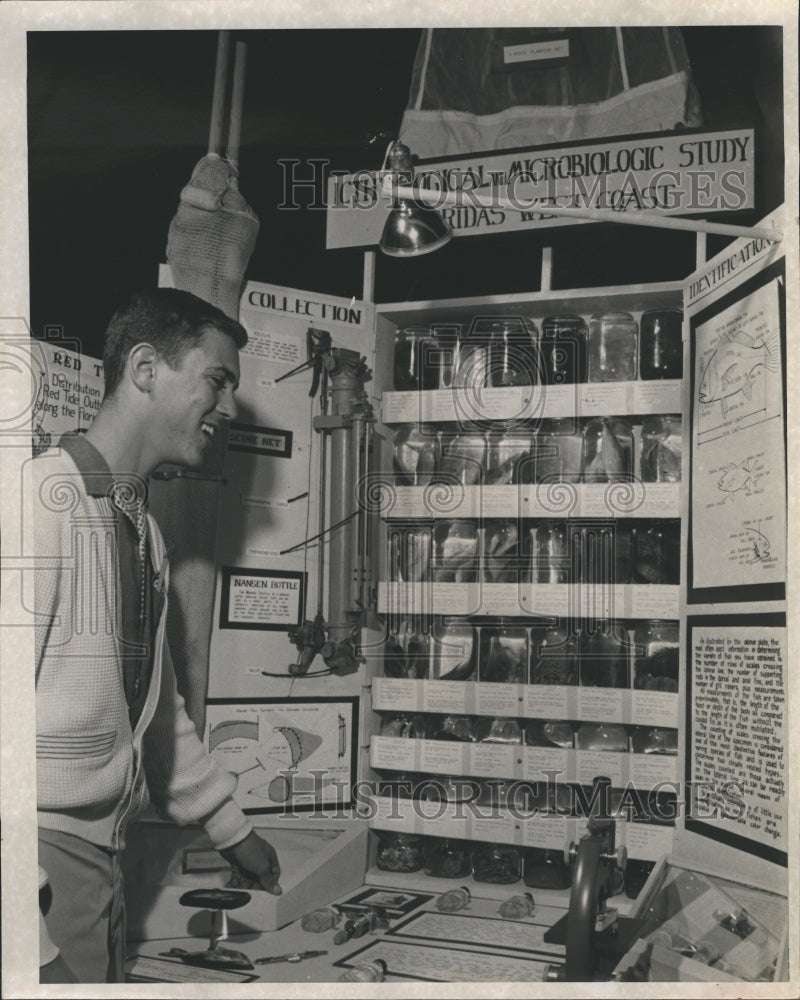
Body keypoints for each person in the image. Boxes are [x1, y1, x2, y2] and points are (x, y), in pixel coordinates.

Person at [32, 288, 282, 983]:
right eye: (217, 380)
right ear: (145, 369)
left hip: (100, 856)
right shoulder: (34, 509)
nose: (228, 407)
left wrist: (232, 830)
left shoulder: (142, 530)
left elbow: (158, 713)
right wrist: (24, 947)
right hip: (38, 867)